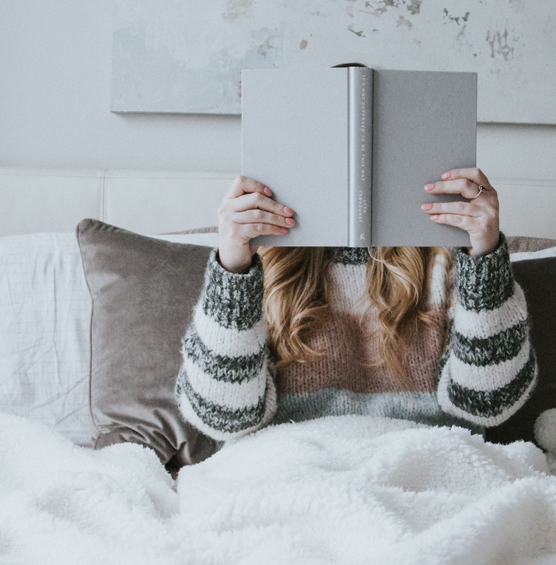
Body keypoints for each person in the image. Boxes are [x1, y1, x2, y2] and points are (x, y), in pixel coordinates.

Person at [176, 168, 537, 440]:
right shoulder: (262, 263)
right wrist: (233, 271)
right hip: (290, 467)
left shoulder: (450, 260)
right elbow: (220, 415)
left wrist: (486, 259)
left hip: (423, 463)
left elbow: (490, 402)